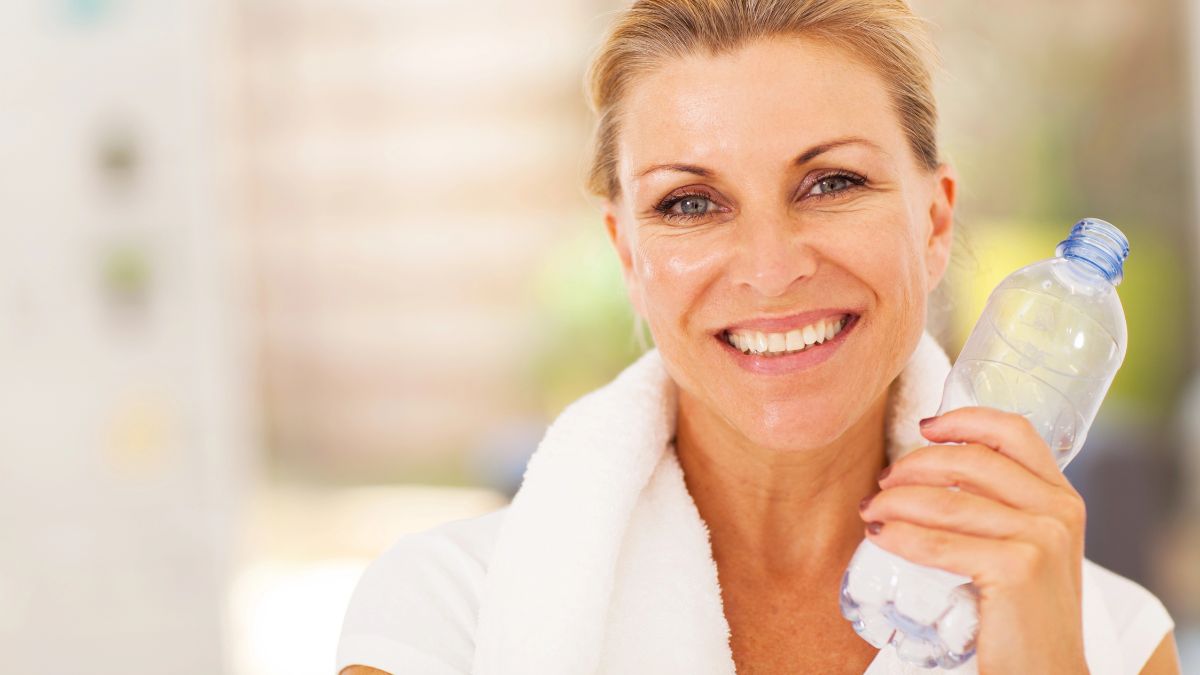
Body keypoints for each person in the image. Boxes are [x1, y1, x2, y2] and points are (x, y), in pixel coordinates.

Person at [336, 1, 1181, 673]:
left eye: (832, 182)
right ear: (630, 254)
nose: (770, 268)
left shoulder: (1112, 639)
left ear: (933, 222)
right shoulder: (445, 617)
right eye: (690, 203)